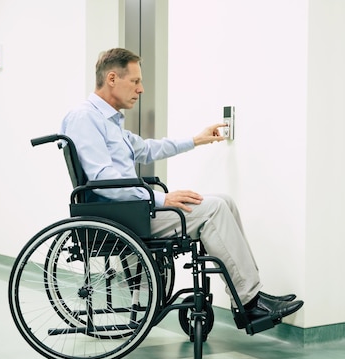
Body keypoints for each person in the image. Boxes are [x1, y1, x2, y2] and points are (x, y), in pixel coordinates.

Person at [60, 47, 303, 326]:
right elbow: (103, 181)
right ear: (112, 78)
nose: (141, 89)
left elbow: (148, 149)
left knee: (225, 200)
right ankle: (249, 303)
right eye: (135, 81)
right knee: (212, 210)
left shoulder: (108, 121)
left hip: (133, 209)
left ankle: (251, 295)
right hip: (121, 216)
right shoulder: (85, 118)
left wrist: (195, 140)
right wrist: (161, 199)